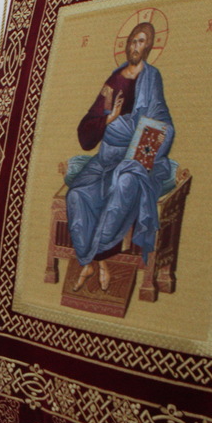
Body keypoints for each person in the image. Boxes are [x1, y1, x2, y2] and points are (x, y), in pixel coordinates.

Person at [66, 21, 175, 293]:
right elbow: (88, 126)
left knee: (123, 184)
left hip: (137, 156)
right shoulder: (114, 80)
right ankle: (92, 261)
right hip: (106, 157)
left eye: (141, 42)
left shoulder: (152, 77)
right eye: (132, 41)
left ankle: (96, 259)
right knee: (76, 195)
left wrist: (137, 157)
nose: (135, 47)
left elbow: (160, 121)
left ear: (149, 47)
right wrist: (108, 119)